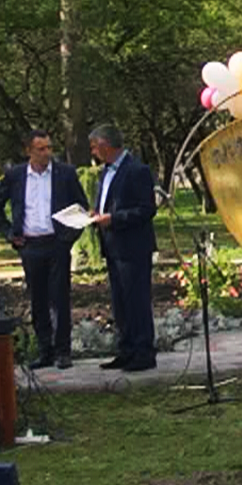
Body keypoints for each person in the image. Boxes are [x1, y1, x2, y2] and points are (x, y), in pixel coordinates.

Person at [0, 129, 88, 370]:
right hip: (30, 245)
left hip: (56, 243)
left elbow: (81, 207)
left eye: (49, 148)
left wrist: (68, 238)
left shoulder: (64, 173)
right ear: (28, 151)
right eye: (41, 149)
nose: (46, 153)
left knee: (60, 298)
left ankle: (63, 351)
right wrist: (10, 233)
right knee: (38, 299)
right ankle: (45, 351)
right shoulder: (16, 175)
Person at [89, 124, 158, 372]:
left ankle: (143, 352)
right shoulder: (106, 171)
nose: (93, 152)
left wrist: (114, 219)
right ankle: (126, 349)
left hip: (133, 247)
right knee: (120, 302)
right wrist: (96, 214)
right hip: (113, 245)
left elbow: (147, 209)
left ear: (105, 145)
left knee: (136, 300)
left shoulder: (137, 170)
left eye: (94, 147)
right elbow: (110, 202)